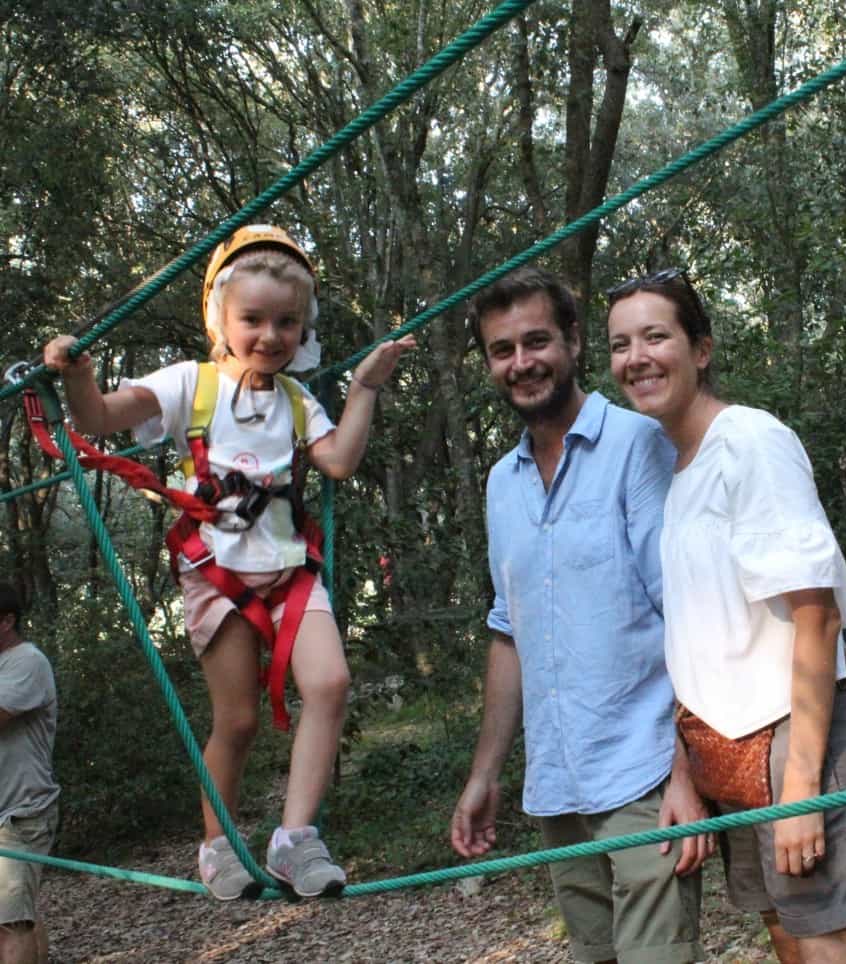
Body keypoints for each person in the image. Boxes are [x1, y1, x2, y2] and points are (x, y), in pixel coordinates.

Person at [43, 225, 415, 900]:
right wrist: (78, 376)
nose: (271, 336)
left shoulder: (299, 402)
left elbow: (339, 461)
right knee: (237, 720)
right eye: (253, 319)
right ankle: (217, 845)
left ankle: (295, 838)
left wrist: (362, 388)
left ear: (303, 330)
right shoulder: (193, 383)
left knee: (330, 684)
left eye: (287, 323)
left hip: (289, 571)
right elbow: (96, 420)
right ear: (220, 318)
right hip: (218, 572)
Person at [607, 268, 846, 964]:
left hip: (795, 736)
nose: (635, 357)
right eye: (619, 344)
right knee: (790, 941)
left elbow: (814, 615)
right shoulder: (673, 469)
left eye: (655, 336)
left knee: (832, 947)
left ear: (701, 349)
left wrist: (801, 792)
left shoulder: (750, 442)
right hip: (725, 747)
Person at [450, 267, 708, 964]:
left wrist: (685, 775)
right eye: (502, 350)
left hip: (646, 774)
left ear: (571, 341)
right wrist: (486, 774)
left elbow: (685, 614)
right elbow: (511, 632)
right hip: (558, 784)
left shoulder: (637, 443)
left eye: (537, 341)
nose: (522, 363)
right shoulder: (501, 483)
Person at [0, 582, 59, 964]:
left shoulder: (27, 662)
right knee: (19, 915)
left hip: (21, 814)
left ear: (6, 621)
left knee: (9, 924)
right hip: (8, 810)